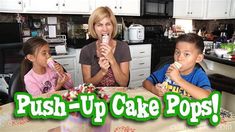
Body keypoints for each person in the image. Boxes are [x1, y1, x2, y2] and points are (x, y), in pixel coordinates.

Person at [143, 33, 213, 99]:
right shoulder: (167, 69)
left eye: (186, 54)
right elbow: (146, 82)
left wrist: (178, 79)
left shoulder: (199, 75)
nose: (179, 58)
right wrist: (154, 89)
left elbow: (207, 97)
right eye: (177, 52)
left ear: (198, 58)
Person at [79, 6, 131, 87]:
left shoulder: (123, 47)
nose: (105, 29)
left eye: (108, 24)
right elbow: (87, 85)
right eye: (99, 25)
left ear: (113, 26)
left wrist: (112, 59)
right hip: (96, 96)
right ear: (94, 28)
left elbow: (124, 83)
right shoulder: (86, 51)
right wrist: (102, 72)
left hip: (117, 96)